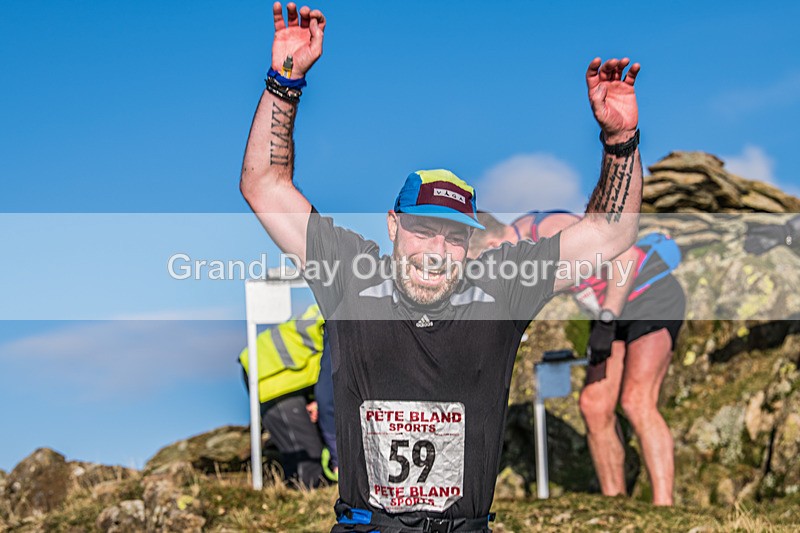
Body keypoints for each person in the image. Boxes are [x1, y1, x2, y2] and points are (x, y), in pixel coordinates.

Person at [240, 3, 644, 530]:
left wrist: (620, 142)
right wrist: (284, 78)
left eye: (455, 237)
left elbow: (612, 232)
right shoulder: (351, 276)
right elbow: (264, 185)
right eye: (423, 229)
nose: (436, 249)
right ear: (392, 226)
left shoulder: (501, 290)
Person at [471, 210, 685, 505]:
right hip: (609, 314)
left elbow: (625, 256)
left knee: (636, 401)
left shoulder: (550, 230)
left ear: (492, 247)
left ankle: (665, 509)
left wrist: (607, 321)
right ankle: (616, 504)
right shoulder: (521, 255)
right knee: (594, 405)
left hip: (649, 296)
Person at [239, 303, 337, 487]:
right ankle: (299, 499)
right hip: (269, 374)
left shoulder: (340, 306)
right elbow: (328, 397)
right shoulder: (344, 321)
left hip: (284, 372)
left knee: (310, 450)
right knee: (309, 464)